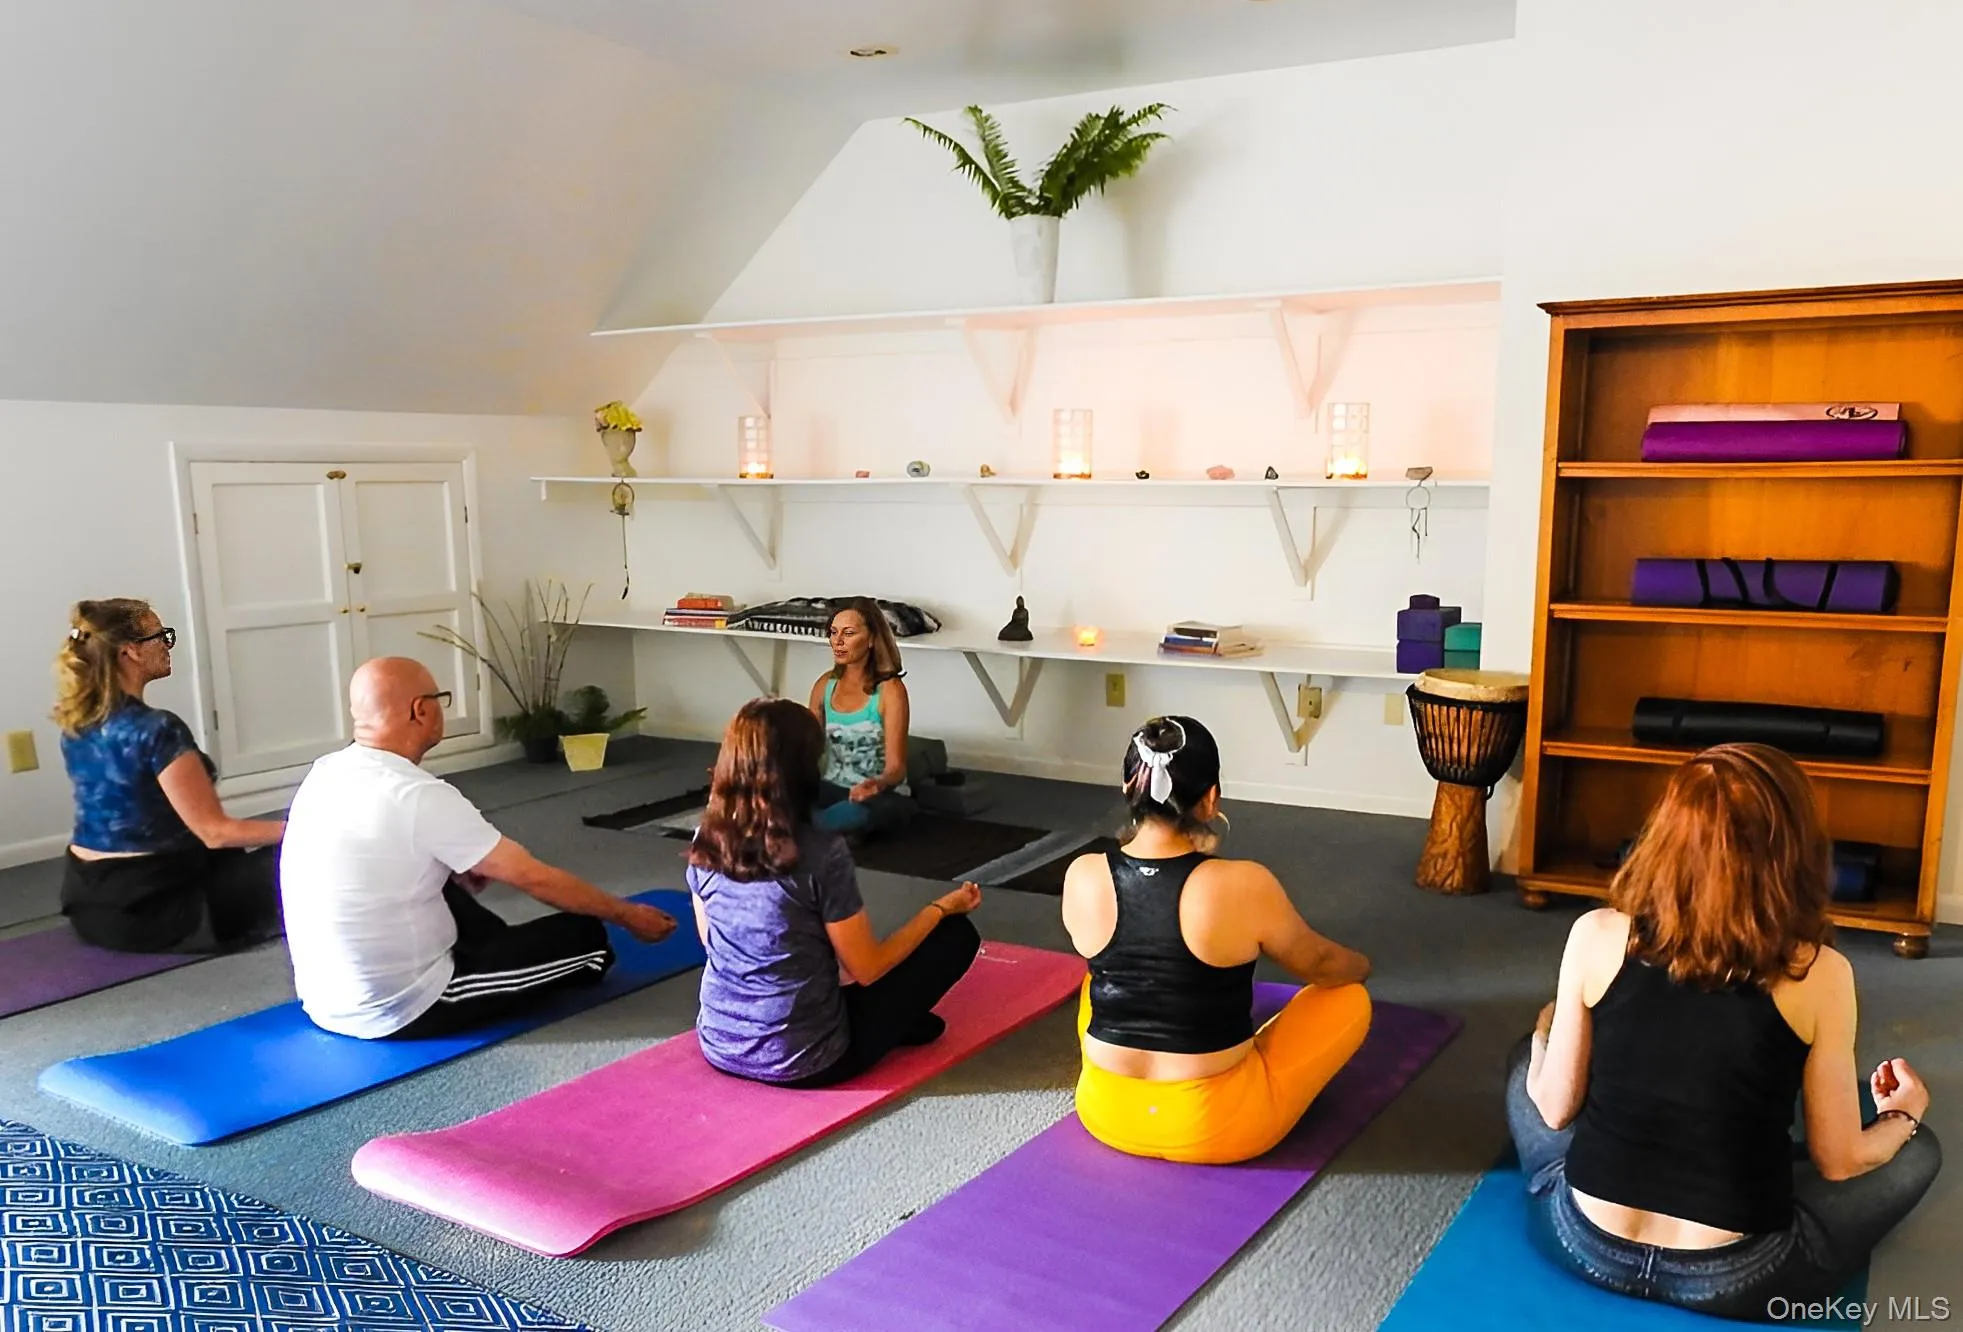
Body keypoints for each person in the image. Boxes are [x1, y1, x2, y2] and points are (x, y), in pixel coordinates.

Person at [1511, 744, 1941, 1321]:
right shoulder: (1822, 972)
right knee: (1919, 1154)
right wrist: (1904, 1116)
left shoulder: (1594, 934)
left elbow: (1556, 1109)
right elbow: (1839, 1160)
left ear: (1664, 835)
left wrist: (1548, 1038)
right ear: (1795, 850)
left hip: (1585, 1245)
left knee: (1525, 1065)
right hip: (1740, 1277)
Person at [279, 657, 676, 1040]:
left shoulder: (326, 772)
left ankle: (485, 948)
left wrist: (449, 866)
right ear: (420, 711)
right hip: (403, 1007)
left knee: (444, 881)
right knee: (586, 936)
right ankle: (513, 962)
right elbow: (532, 877)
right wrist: (627, 916)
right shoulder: (419, 794)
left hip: (323, 998)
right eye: (440, 699)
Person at [1061, 715, 1373, 1164]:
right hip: (1216, 1126)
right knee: (1349, 999)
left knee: (1096, 982)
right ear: (1210, 800)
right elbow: (1320, 964)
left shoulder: (1081, 873)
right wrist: (1361, 966)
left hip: (1103, 1110)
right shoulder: (1244, 882)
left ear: (1130, 786)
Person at [686, 697, 981, 1086]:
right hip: (808, 1059)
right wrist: (941, 907)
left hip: (720, 1043)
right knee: (956, 936)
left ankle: (891, 1024)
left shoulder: (706, 836)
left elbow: (711, 941)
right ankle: (890, 1025)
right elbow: (868, 968)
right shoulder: (820, 852)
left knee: (834, 964)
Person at [54, 599, 285, 953]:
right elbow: (216, 833)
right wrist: (308, 831)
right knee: (311, 853)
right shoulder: (156, 729)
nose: (166, 644)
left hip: (89, 905)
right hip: (158, 912)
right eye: (159, 636)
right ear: (130, 651)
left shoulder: (77, 724)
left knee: (241, 857)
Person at [806, 597, 911, 836]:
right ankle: (822, 828)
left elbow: (896, 768)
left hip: (878, 795)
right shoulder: (824, 686)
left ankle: (817, 829)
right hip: (831, 789)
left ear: (872, 639)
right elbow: (807, 750)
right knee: (777, 800)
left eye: (849, 633)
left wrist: (877, 785)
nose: (838, 641)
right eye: (833, 633)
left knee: (871, 811)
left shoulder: (890, 690)